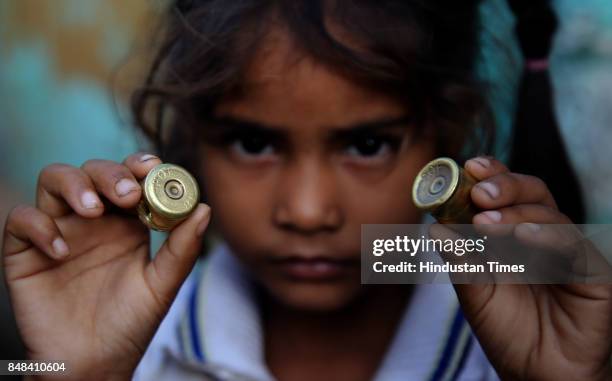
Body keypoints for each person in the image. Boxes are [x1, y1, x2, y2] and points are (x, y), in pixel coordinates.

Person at [2, 1, 611, 380]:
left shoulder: (534, 335)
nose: (308, 211)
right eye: (254, 143)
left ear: (445, 139)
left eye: (367, 146)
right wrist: (66, 376)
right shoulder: (136, 336)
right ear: (193, 146)